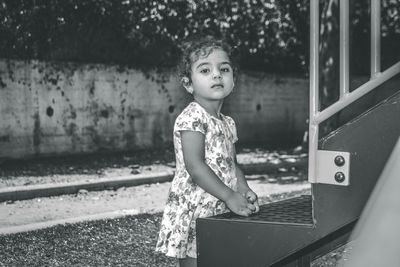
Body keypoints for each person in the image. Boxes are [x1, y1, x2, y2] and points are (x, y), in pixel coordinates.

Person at [155, 35, 260, 267]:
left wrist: (242, 188)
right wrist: (229, 195)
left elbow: (232, 164)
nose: (216, 74)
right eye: (205, 70)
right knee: (196, 259)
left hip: (221, 201)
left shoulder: (227, 122)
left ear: (233, 80)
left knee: (218, 257)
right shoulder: (193, 117)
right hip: (196, 205)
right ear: (188, 83)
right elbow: (195, 166)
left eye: (224, 69)